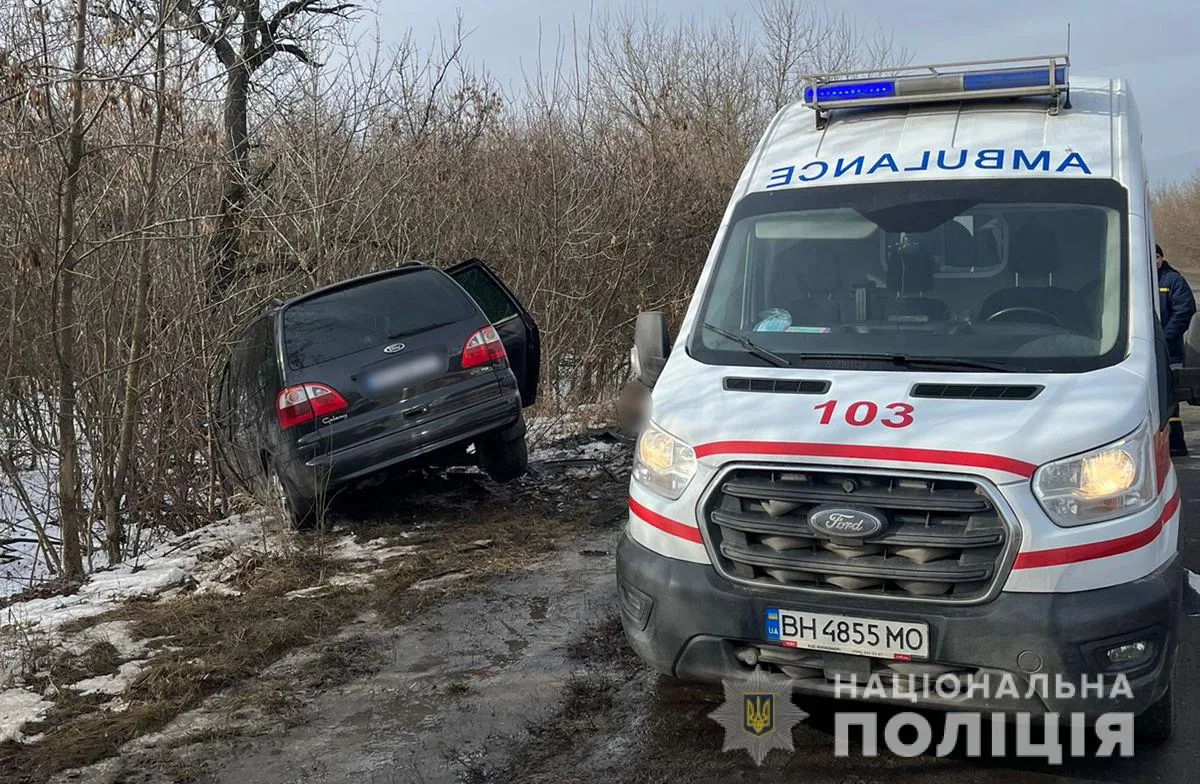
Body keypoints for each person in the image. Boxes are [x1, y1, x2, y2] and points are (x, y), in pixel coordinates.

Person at [1157, 244, 1196, 456]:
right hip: (1141, 351)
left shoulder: (1172, 281)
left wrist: (1163, 337)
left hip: (1169, 351)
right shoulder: (1135, 280)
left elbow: (1185, 310)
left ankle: (1176, 444)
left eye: (1156, 257)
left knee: (1169, 399)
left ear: (1160, 258)